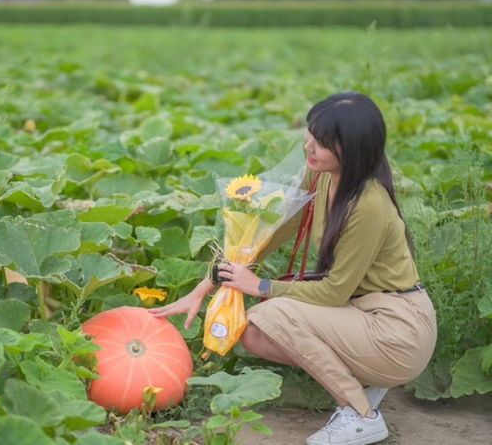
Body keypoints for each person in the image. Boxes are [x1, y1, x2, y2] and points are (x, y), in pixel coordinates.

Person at [150, 92, 437, 445]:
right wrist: (205, 286)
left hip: (398, 331)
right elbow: (267, 232)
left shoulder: (368, 204)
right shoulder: (321, 177)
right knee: (255, 333)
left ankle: (361, 415)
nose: (308, 145)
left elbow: (333, 292)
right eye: (310, 134)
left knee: (273, 313)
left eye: (322, 142)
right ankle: (364, 382)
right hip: (361, 312)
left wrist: (262, 286)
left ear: (353, 148)